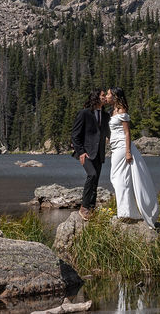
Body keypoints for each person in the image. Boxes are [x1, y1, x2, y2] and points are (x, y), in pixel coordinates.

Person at [105, 87, 159, 227]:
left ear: (115, 96)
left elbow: (127, 133)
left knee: (117, 178)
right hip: (115, 147)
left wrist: (128, 151)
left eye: (109, 94)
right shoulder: (112, 112)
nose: (106, 95)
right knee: (119, 178)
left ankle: (125, 212)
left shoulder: (122, 111)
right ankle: (127, 211)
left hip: (123, 147)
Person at [70, 88, 110, 220]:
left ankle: (91, 208)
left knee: (96, 181)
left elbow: (107, 134)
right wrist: (81, 152)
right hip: (86, 153)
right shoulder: (84, 113)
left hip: (99, 153)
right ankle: (84, 207)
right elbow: (75, 135)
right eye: (103, 95)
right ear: (96, 98)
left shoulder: (106, 116)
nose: (105, 98)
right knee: (91, 175)